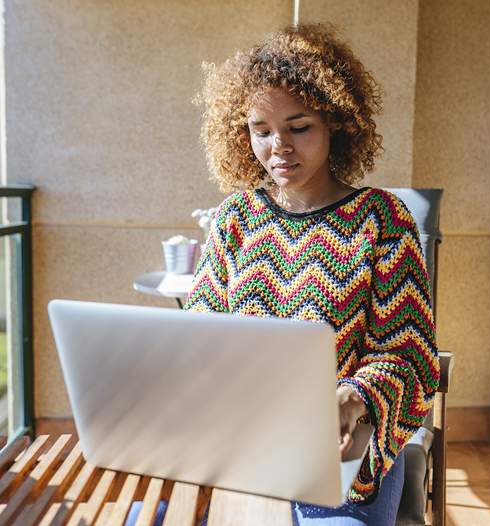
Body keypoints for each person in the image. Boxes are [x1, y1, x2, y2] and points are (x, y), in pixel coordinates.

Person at [183, 24, 440, 526]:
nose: (278, 146)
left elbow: (410, 354)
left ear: (336, 123)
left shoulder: (382, 219)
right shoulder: (235, 218)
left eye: (298, 127)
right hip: (245, 450)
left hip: (343, 458)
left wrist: (358, 394)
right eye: (261, 130)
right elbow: (198, 333)